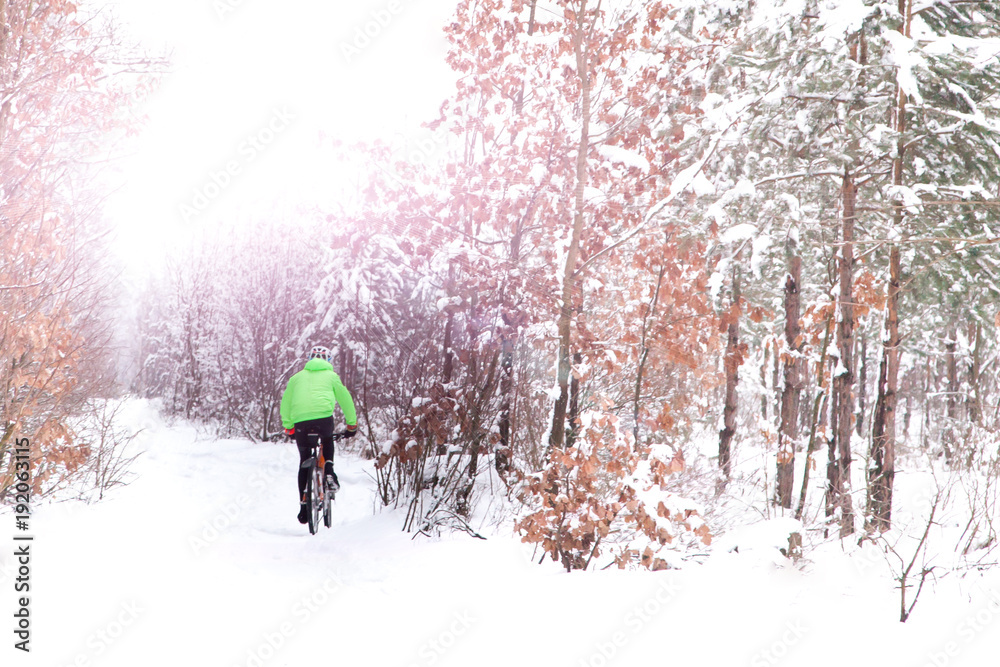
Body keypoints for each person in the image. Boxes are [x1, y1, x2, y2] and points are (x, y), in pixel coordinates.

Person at [280, 345, 358, 524]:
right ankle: (329, 469)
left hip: (301, 422)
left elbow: (285, 403)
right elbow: (345, 399)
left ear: (309, 359)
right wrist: (351, 424)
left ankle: (303, 507)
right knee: (327, 439)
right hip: (323, 419)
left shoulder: (296, 378)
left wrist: (288, 426)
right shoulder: (331, 376)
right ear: (329, 361)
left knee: (304, 461)